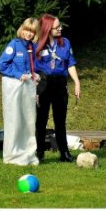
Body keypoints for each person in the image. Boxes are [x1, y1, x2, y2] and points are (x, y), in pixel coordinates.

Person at [35, 14, 80, 163]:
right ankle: (39, 152)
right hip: (42, 84)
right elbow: (31, 65)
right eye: (56, 27)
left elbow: (70, 63)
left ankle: (64, 153)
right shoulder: (36, 44)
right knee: (41, 119)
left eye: (60, 26)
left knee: (60, 120)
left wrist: (77, 82)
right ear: (47, 28)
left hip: (60, 84)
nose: (60, 28)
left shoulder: (65, 43)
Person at [0, 17, 40, 166]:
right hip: (13, 87)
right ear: (22, 29)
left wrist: (33, 74)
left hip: (27, 88)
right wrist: (18, 74)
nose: (28, 34)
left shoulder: (31, 47)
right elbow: (2, 64)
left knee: (28, 121)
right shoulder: (14, 45)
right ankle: (12, 155)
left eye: (32, 31)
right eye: (27, 30)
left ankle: (28, 154)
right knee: (14, 120)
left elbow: (31, 66)